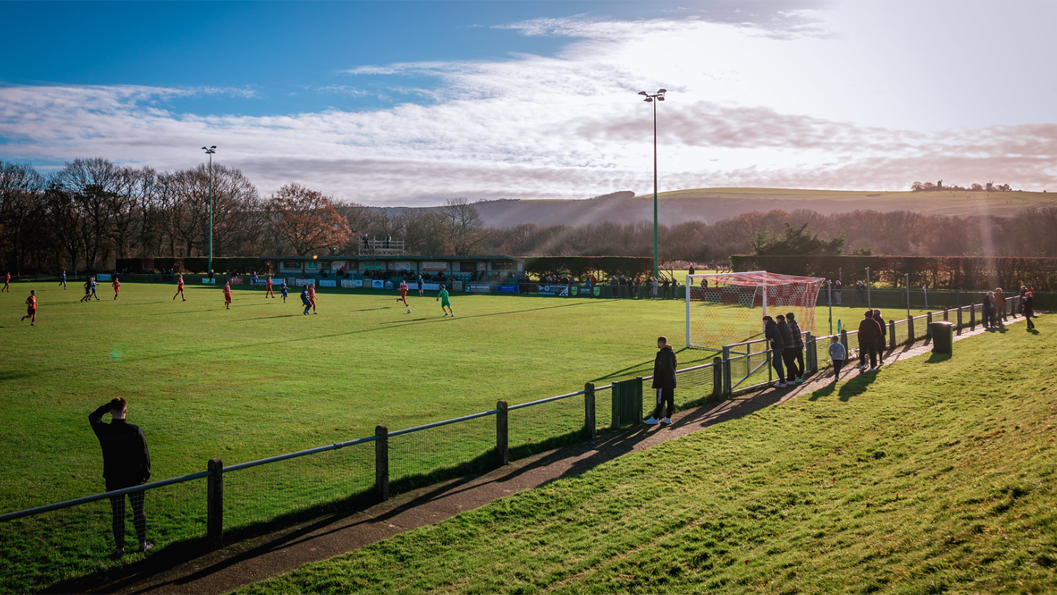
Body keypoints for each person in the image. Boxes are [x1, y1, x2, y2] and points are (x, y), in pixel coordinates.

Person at [89, 397, 152, 557]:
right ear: (126, 411)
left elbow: (93, 417)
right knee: (138, 511)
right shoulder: (135, 430)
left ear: (111, 411)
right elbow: (144, 454)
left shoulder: (104, 431)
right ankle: (142, 543)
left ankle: (119, 548)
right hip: (134, 477)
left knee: (117, 513)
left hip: (113, 478)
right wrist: (146, 473)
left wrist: (105, 407)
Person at [643, 336, 677, 426]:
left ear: (660, 343)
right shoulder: (671, 353)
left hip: (663, 382)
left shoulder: (662, 354)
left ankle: (655, 418)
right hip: (671, 381)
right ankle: (668, 417)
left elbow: (661, 369)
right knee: (670, 400)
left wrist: (657, 382)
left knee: (660, 400)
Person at [764, 315, 787, 388]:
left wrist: (769, 337)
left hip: (777, 346)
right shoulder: (774, 324)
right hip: (780, 345)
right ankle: (782, 380)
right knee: (776, 363)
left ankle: (782, 381)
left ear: (766, 321)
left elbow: (767, 334)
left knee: (777, 363)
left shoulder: (769, 325)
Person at [776, 314, 800, 384]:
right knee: (792, 362)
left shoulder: (785, 326)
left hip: (788, 346)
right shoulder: (790, 325)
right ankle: (796, 377)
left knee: (789, 363)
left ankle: (791, 379)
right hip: (794, 345)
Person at [786, 312, 805, 384]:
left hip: (794, 346)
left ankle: (796, 375)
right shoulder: (796, 324)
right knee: (800, 361)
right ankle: (799, 375)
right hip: (800, 344)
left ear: (787, 318)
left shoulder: (789, 325)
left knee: (789, 361)